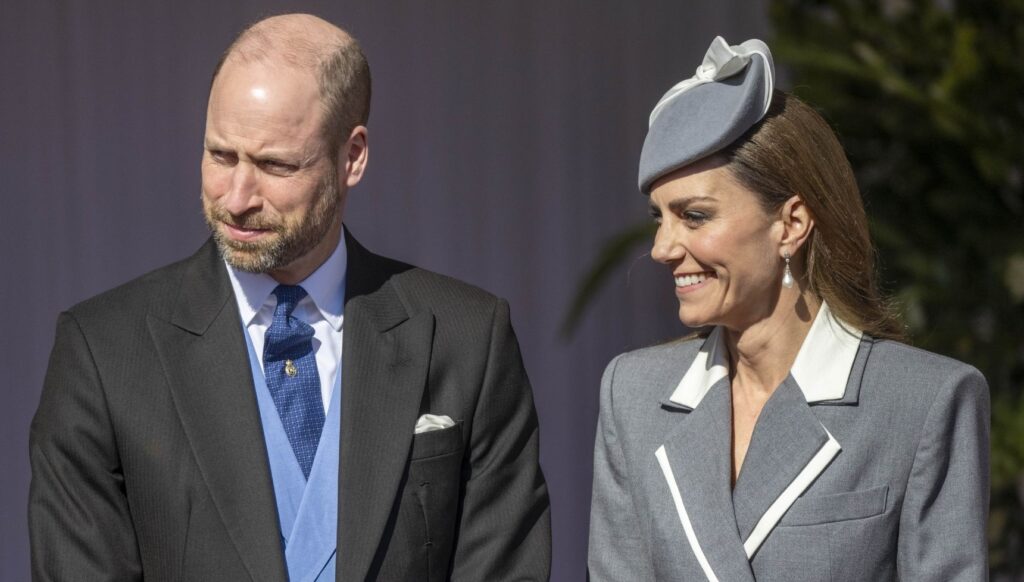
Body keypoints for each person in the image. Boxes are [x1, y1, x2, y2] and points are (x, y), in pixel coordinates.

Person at [29, 13, 550, 581]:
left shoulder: (466, 336)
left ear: (352, 157)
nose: (236, 197)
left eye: (275, 164)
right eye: (220, 155)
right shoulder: (104, 352)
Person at [588, 36, 989, 581]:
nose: (662, 248)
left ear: (791, 224)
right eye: (660, 218)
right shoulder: (633, 396)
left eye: (695, 216)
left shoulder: (925, 401)